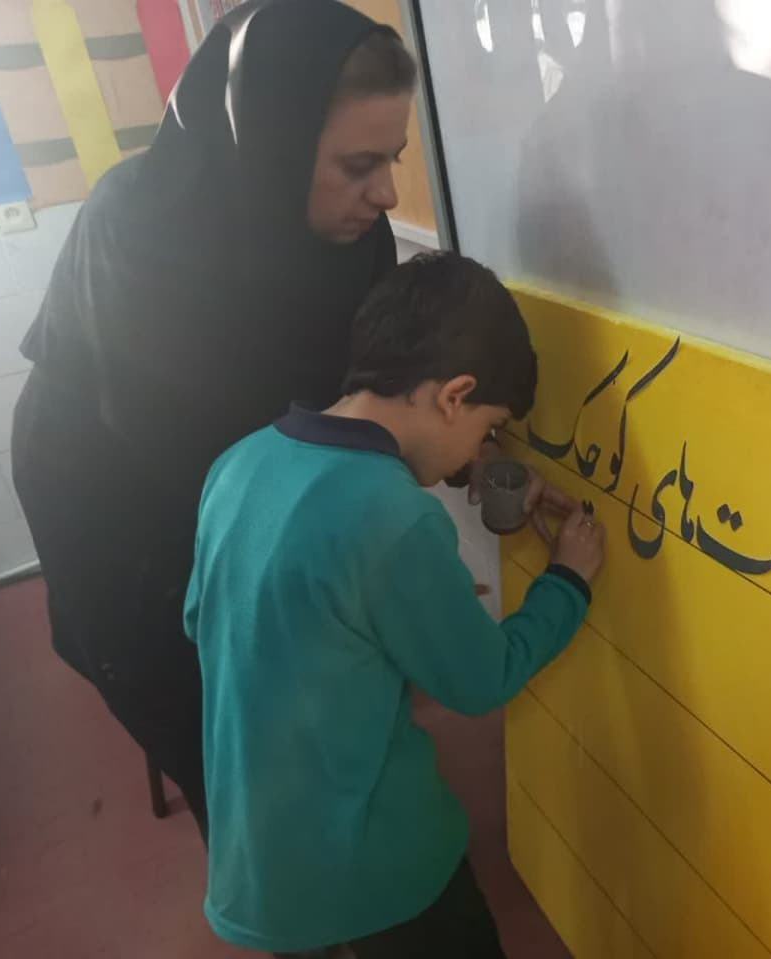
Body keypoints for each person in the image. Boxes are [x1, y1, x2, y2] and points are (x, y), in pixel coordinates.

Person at [10, 0, 444, 838]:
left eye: (393, 160)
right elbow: (192, 475)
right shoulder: (138, 229)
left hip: (245, 491)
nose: (387, 194)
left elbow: (364, 387)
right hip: (121, 524)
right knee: (232, 753)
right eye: (358, 165)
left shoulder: (356, 241)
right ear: (272, 138)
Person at [184, 252, 605, 957]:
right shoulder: (394, 516)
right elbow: (483, 678)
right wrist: (568, 578)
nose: (476, 453)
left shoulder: (240, 461)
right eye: (488, 429)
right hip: (375, 875)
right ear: (455, 395)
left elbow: (207, 620)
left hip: (262, 867)